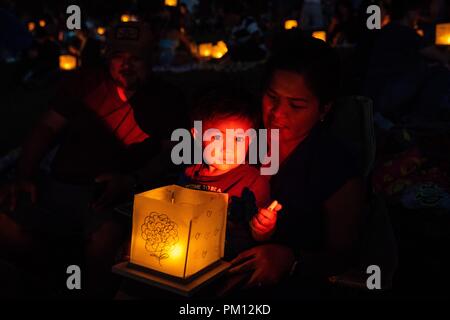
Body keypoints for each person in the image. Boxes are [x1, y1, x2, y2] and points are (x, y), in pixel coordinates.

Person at [0, 21, 186, 298]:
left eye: (135, 58)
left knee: (104, 242)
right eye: (119, 57)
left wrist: (131, 181)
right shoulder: (84, 84)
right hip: (61, 185)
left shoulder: (166, 98)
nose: (126, 65)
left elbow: (172, 154)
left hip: (112, 197)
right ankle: (56, 272)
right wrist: (24, 175)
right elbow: (47, 127)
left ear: (151, 60)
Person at [226, 30, 366, 298]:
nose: (277, 114)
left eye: (296, 105)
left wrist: (290, 259)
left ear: (323, 109)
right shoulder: (242, 137)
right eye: (272, 97)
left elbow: (344, 254)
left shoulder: (335, 168)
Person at [178, 87, 279, 259]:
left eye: (238, 139)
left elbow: (259, 237)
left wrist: (264, 227)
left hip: (228, 264)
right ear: (196, 135)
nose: (228, 149)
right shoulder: (189, 173)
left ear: (251, 139)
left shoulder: (252, 182)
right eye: (216, 138)